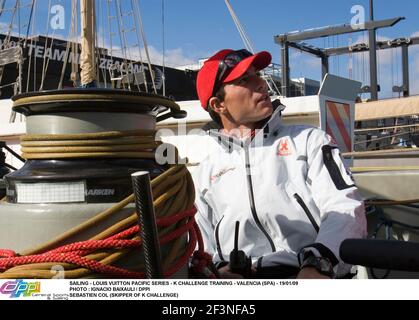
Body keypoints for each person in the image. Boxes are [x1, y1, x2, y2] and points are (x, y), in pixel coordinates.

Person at [192, 48, 367, 279]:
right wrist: (214, 272)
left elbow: (345, 206)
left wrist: (319, 263)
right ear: (218, 105)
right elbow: (196, 246)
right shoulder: (205, 172)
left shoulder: (310, 141)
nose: (262, 84)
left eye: (258, 75)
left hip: (311, 272)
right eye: (245, 79)